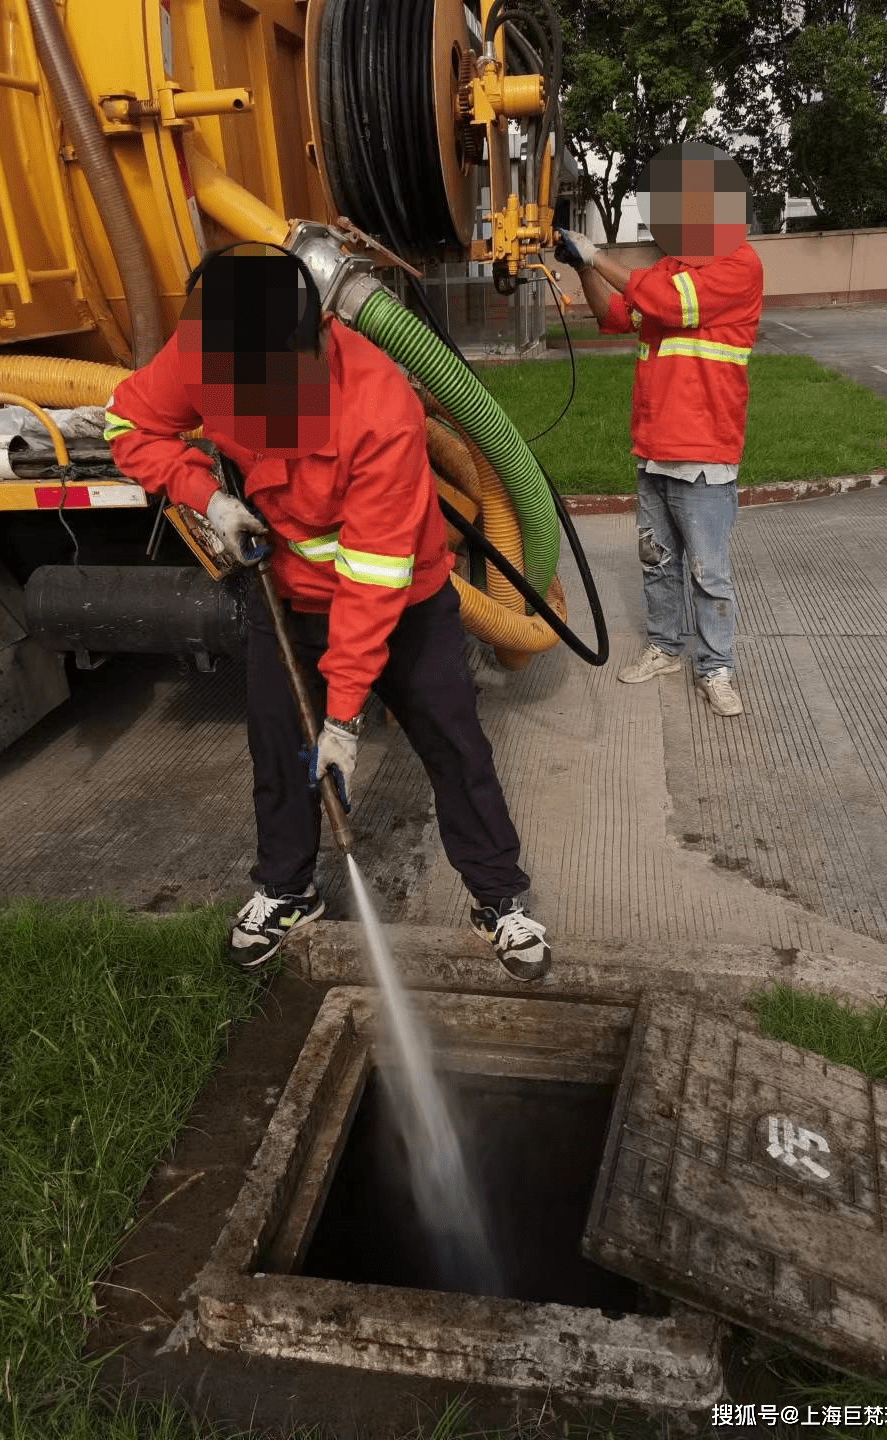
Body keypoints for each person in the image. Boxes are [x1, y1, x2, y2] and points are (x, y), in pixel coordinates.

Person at [103, 242, 549, 980]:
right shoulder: (203, 352)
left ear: (315, 343)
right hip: (284, 593)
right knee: (278, 749)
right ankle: (287, 889)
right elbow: (129, 426)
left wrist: (344, 718)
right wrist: (206, 495)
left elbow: (372, 581)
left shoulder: (378, 408)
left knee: (455, 747)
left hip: (402, 604)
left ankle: (498, 898)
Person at [556, 142, 763, 717]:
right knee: (658, 562)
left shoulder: (737, 265)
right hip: (653, 452)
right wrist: (581, 264)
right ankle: (665, 649)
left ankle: (716, 668)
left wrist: (601, 259)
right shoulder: (666, 271)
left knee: (709, 574)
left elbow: (667, 308)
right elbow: (611, 316)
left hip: (704, 454)